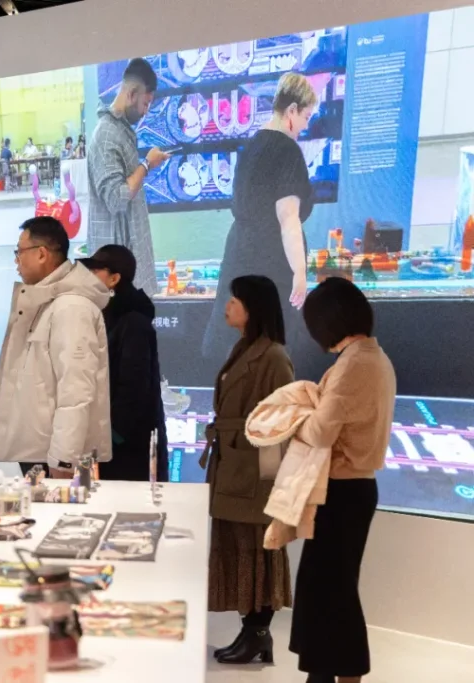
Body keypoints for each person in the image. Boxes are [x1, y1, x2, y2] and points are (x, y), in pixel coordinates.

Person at [290, 277, 395, 683]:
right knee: (331, 589)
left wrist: (296, 418)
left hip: (341, 490)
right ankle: (323, 673)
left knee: (330, 591)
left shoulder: (353, 365)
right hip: (353, 488)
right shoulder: (374, 357)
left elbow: (320, 432)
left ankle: (339, 673)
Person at [200, 275, 295, 666]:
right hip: (234, 465)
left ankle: (257, 633)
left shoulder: (273, 356)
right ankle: (251, 632)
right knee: (239, 548)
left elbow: (283, 420)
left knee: (257, 550)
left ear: (253, 308)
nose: (227, 306)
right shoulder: (243, 348)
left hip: (254, 472)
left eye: (234, 300)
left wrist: (269, 483)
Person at [203, 72, 318, 370]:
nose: (306, 125)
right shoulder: (287, 151)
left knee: (239, 348)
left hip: (240, 256)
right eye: (306, 117)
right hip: (271, 265)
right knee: (270, 353)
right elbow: (288, 217)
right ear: (291, 110)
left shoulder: (252, 146)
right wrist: (300, 272)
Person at [0, 216, 111, 477]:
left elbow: (76, 390)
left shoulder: (71, 307)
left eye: (19, 252)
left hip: (53, 455)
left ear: (41, 254)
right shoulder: (44, 302)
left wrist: (64, 459)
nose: (16, 261)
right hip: (38, 448)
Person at [79, 245, 168, 481]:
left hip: (127, 450)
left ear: (114, 279)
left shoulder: (133, 323)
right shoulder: (105, 317)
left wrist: (110, 437)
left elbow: (133, 390)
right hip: (108, 442)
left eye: (94, 272)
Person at [87, 58, 169, 296]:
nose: (146, 111)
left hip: (127, 261)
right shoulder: (106, 136)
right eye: (145, 103)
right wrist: (147, 164)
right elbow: (117, 198)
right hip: (115, 268)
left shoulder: (120, 131)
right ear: (132, 94)